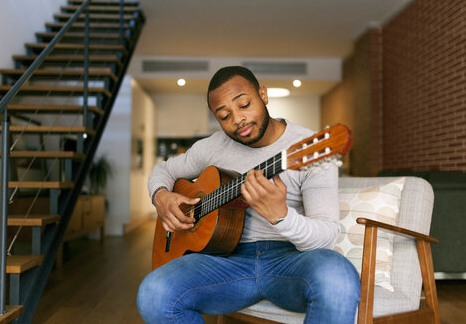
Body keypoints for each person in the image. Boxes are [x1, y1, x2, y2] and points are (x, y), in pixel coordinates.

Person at [137, 66, 360, 323]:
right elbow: (163, 169)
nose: (237, 119)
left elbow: (326, 237)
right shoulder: (212, 147)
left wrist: (282, 216)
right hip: (225, 262)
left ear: (263, 95)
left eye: (244, 104)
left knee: (338, 277)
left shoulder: (309, 146)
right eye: (224, 115)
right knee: (153, 293)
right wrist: (161, 196)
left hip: (290, 262)